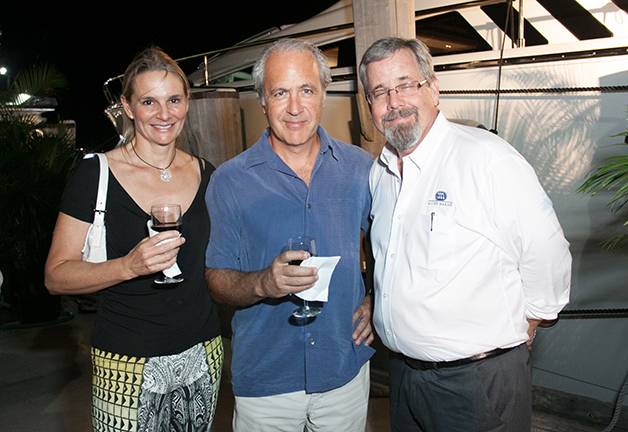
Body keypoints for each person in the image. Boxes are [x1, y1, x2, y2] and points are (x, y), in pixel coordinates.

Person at [359, 37, 572, 431]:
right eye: (379, 92)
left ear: (433, 88)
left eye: (405, 85)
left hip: (477, 385)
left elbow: (547, 251)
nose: (394, 102)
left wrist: (532, 319)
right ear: (368, 104)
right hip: (405, 379)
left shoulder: (486, 158)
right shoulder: (381, 173)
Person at [44, 47, 223, 431]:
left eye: (173, 100)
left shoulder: (207, 173)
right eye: (148, 102)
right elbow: (56, 276)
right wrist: (129, 266)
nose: (164, 114)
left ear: (187, 103)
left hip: (202, 352)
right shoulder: (96, 173)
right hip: (126, 360)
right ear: (127, 107)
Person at [205, 38, 375, 431]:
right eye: (280, 93)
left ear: (323, 94)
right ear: (262, 101)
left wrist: (375, 298)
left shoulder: (360, 169)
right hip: (266, 384)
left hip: (344, 371)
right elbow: (216, 280)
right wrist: (264, 283)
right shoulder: (230, 181)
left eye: (307, 90)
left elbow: (391, 247)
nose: (295, 107)